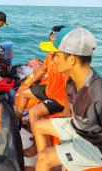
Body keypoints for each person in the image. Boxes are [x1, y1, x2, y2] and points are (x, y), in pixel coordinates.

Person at [33, 27, 102, 171]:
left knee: (44, 158)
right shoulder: (72, 80)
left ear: (71, 59)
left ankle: (46, 164)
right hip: (80, 128)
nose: (52, 59)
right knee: (39, 126)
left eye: (56, 55)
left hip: (99, 146)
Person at [17, 26, 69, 158]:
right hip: (48, 89)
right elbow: (42, 69)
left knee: (34, 112)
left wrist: (67, 110)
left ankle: (36, 148)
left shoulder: (64, 62)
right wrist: (29, 83)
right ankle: (18, 121)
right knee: (23, 92)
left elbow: (71, 88)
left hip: (59, 98)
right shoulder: (50, 56)